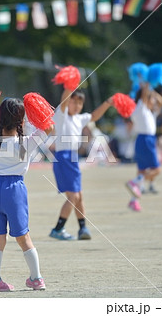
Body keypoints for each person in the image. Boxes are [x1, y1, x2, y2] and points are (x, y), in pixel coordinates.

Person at [0, 97, 53, 292]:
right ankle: (36, 278)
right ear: (21, 122)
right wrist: (33, 108)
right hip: (15, 191)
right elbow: (48, 127)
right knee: (24, 237)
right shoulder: (26, 143)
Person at [49, 88, 115, 240]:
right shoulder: (61, 115)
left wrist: (107, 103)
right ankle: (58, 229)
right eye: (74, 101)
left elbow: (94, 116)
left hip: (72, 158)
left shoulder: (79, 118)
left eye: (80, 102)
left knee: (79, 196)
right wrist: (68, 86)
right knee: (73, 196)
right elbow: (64, 100)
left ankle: (83, 228)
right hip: (63, 157)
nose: (77, 105)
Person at [125, 84, 162, 212]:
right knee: (157, 170)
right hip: (146, 139)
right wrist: (146, 85)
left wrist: (152, 92)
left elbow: (161, 101)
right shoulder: (140, 107)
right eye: (151, 98)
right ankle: (134, 182)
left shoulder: (149, 111)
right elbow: (143, 95)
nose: (154, 101)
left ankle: (134, 201)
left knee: (142, 171)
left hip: (144, 140)